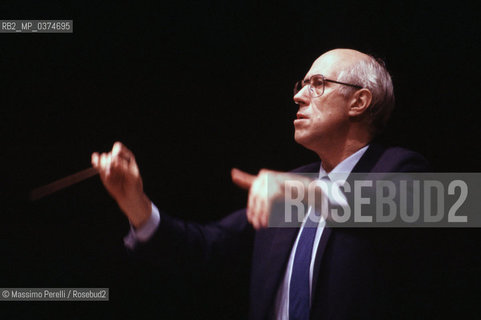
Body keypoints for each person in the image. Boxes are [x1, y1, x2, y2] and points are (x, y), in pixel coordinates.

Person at [91, 48, 431, 319]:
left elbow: (426, 204)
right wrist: (135, 203)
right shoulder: (291, 185)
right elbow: (207, 249)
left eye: (318, 83)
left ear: (359, 102)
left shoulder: (398, 167)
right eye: (301, 85)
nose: (299, 97)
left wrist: (294, 189)